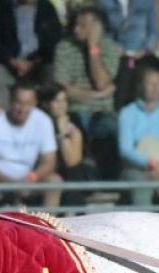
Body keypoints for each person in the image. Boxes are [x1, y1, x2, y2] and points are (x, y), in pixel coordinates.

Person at [52, 6, 124, 178]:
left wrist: (93, 47)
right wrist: (96, 95)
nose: (77, 29)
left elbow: (101, 82)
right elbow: (63, 89)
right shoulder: (64, 47)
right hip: (73, 109)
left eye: (83, 26)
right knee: (74, 129)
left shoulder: (110, 48)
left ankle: (108, 181)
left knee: (109, 128)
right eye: (76, 24)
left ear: (96, 28)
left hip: (102, 110)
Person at [0, 81, 62, 209]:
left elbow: (49, 161)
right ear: (10, 101)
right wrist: (8, 181)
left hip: (28, 181)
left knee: (54, 182)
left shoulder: (44, 121)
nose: (22, 109)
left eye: (27, 104)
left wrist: (31, 178)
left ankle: (49, 226)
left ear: (35, 103)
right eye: (18, 102)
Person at [118, 65, 159, 208]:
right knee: (140, 186)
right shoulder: (127, 113)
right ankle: (142, 229)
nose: (154, 87)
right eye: (150, 83)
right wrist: (150, 163)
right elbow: (125, 149)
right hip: (136, 168)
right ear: (141, 86)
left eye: (158, 83)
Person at [0, 0, 64, 106]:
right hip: (8, 64)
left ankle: (47, 117)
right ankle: (2, 118)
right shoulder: (0, 8)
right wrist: (12, 61)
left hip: (38, 63)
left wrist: (34, 62)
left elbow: (54, 41)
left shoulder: (47, 8)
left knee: (53, 72)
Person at [39, 84, 100, 202]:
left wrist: (62, 132)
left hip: (74, 172)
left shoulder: (74, 121)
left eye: (64, 100)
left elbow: (71, 161)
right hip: (48, 170)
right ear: (46, 104)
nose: (62, 105)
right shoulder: (39, 122)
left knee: (74, 173)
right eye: (57, 101)